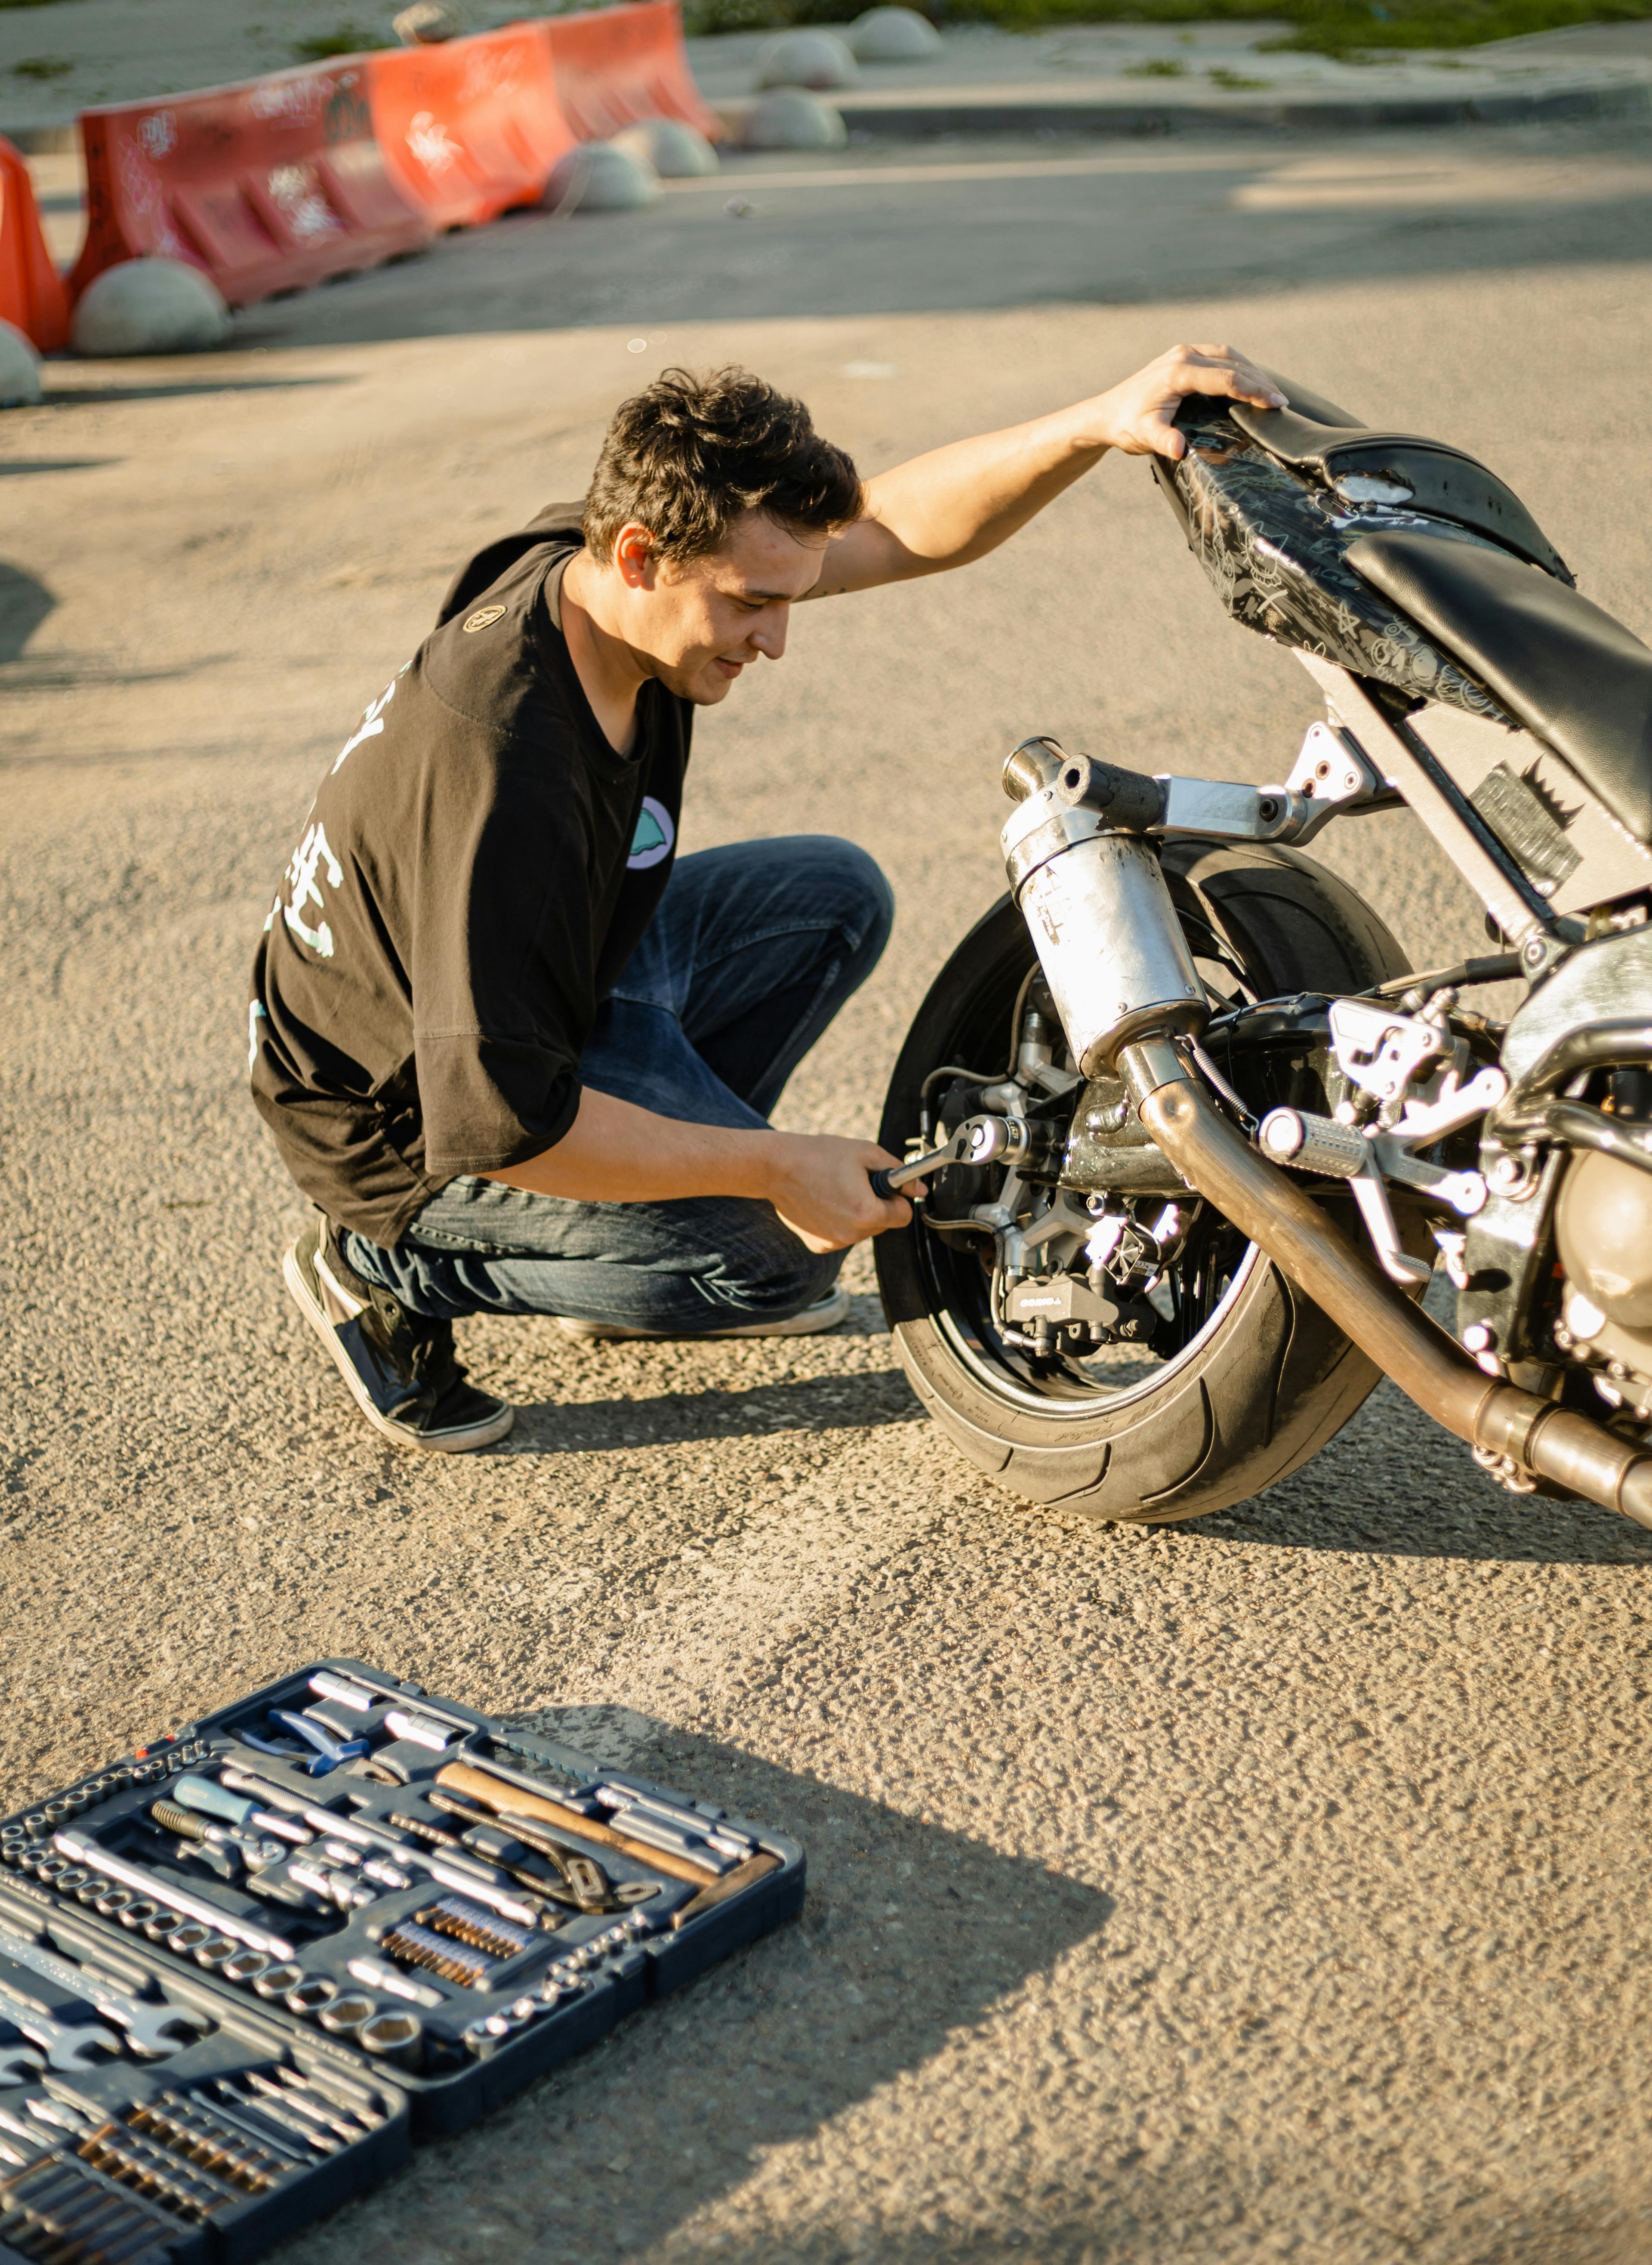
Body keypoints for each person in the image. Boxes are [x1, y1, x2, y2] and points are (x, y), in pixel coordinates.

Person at [250, 343, 1284, 1452]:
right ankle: (378, 1265)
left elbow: (888, 528)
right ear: (640, 556)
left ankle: (627, 1214)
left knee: (831, 898)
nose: (778, 642)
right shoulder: (509, 772)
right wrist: (773, 1167)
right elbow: (504, 1123)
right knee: (773, 1260)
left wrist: (1094, 422)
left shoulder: (601, 567)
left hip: (530, 982)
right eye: (751, 605)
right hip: (407, 1123)